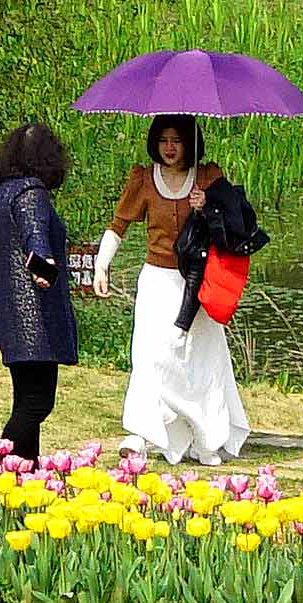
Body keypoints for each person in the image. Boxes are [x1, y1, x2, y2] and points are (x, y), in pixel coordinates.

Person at [116, 112, 251, 464]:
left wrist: (207, 206)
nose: (170, 148)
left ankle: (206, 438)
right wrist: (102, 265)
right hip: (157, 281)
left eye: (177, 140)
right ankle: (143, 432)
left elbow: (236, 224)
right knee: (150, 355)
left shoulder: (208, 177)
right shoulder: (144, 179)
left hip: (198, 281)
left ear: (189, 143)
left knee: (201, 359)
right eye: (163, 141)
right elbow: (118, 225)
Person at [0, 123, 78, 464]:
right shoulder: (32, 193)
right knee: (38, 402)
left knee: (25, 398)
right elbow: (34, 231)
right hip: (37, 316)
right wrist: (42, 262)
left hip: (9, 316)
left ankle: (25, 472)